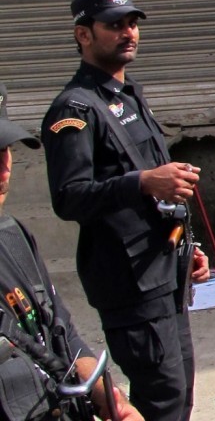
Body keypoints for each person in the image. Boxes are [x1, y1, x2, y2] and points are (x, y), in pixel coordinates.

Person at [41, 0, 210, 421]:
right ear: (83, 35)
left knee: (180, 393)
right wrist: (142, 183)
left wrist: (187, 248)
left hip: (164, 269)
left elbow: (158, 186)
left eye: (132, 23)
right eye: (114, 25)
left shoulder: (128, 94)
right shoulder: (75, 109)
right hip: (127, 280)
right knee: (160, 399)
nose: (128, 32)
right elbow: (69, 197)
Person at [0, 83, 143, 420]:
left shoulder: (14, 235)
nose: (4, 166)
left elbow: (61, 328)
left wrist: (106, 395)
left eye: (6, 148)